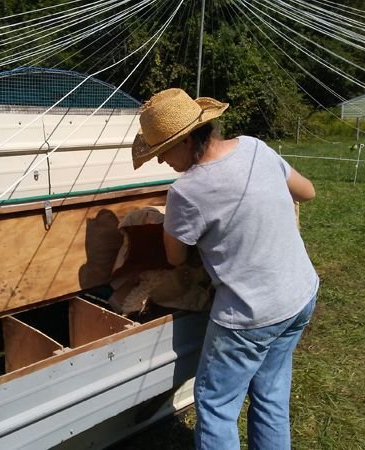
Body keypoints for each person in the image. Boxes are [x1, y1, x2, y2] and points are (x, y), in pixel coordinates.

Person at [132, 88, 319, 450]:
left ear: (186, 140)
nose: (160, 162)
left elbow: (174, 258)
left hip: (251, 313)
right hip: (299, 294)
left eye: (162, 151)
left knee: (216, 406)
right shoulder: (254, 147)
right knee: (271, 394)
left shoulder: (186, 192)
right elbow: (306, 191)